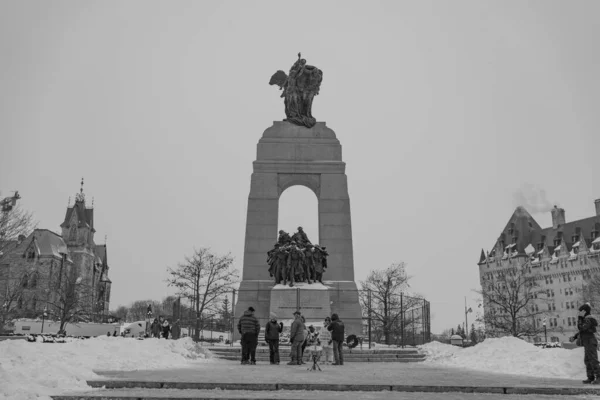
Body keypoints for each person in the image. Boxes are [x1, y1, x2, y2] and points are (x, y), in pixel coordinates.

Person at [570, 303, 600, 384]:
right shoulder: (586, 319)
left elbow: (581, 328)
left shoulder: (589, 319)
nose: (579, 313)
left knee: (593, 360)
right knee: (587, 360)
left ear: (584, 311)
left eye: (581, 311)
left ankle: (599, 377)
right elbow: (582, 331)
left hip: (590, 342)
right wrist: (575, 336)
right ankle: (590, 377)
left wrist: (580, 318)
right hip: (587, 342)